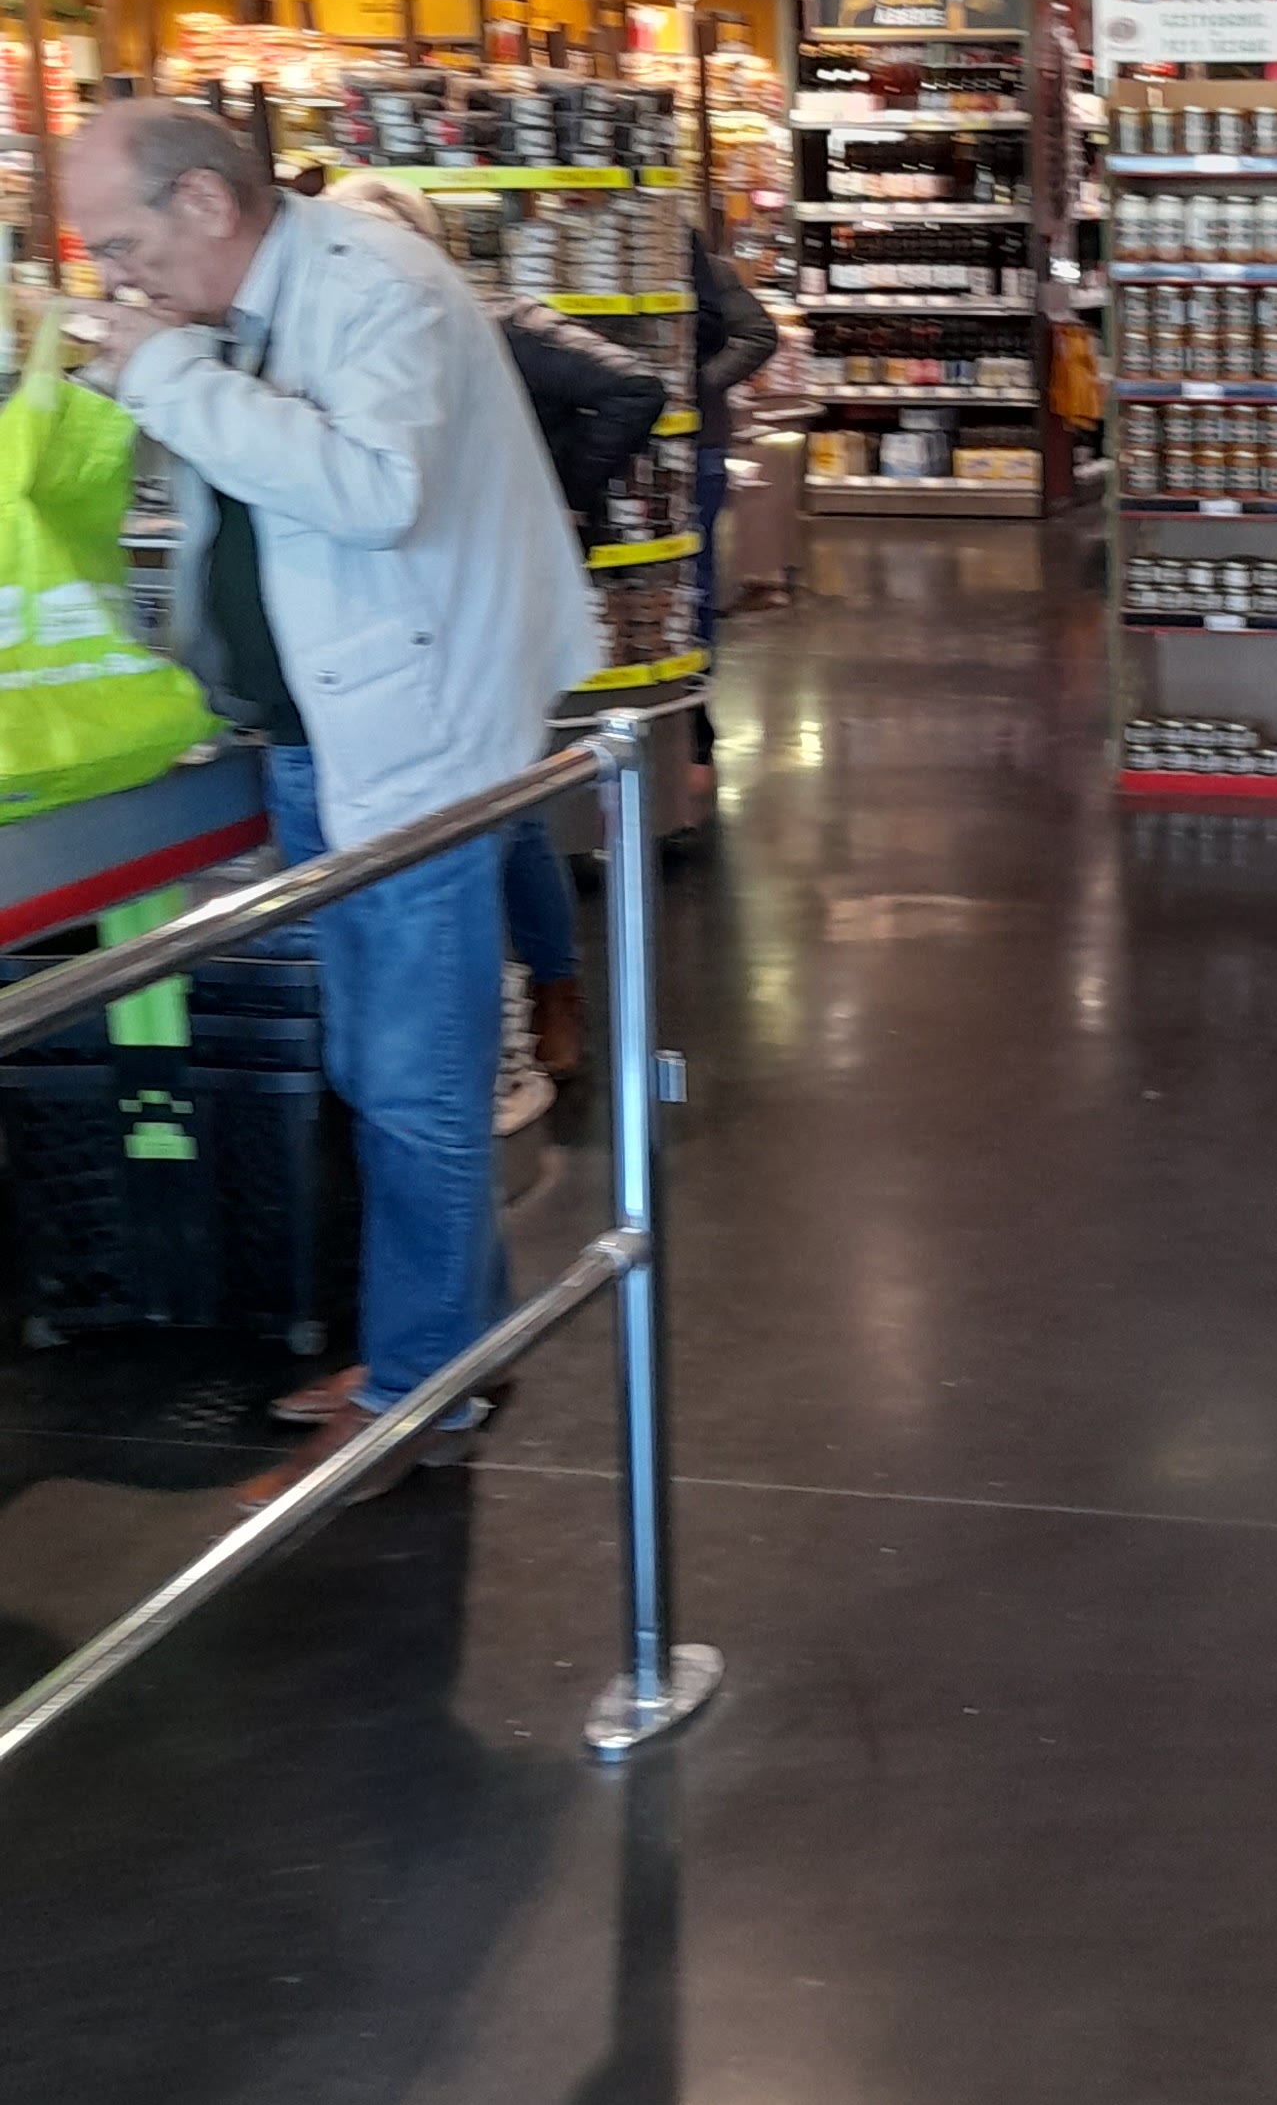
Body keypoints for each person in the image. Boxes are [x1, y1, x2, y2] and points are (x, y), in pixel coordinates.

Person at [59, 102, 601, 1496]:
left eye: (124, 244)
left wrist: (166, 373)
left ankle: (423, 1393)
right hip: (334, 735)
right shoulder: (265, 300)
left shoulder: (370, 285)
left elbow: (375, 491)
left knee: (413, 1082)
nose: (118, 276)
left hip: (411, 744)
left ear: (203, 201)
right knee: (378, 1065)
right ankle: (448, 1339)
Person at [331, 171, 667, 1083]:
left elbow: (635, 387)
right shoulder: (351, 344)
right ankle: (515, 1000)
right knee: (482, 813)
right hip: (414, 599)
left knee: (505, 806)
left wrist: (559, 493)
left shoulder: (498, 324)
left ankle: (549, 993)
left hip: (493, 592)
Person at [690, 224, 779, 737]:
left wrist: (700, 383)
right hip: (625, 440)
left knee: (695, 573)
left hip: (697, 440)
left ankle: (695, 703)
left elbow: (760, 334)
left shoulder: (706, 270)